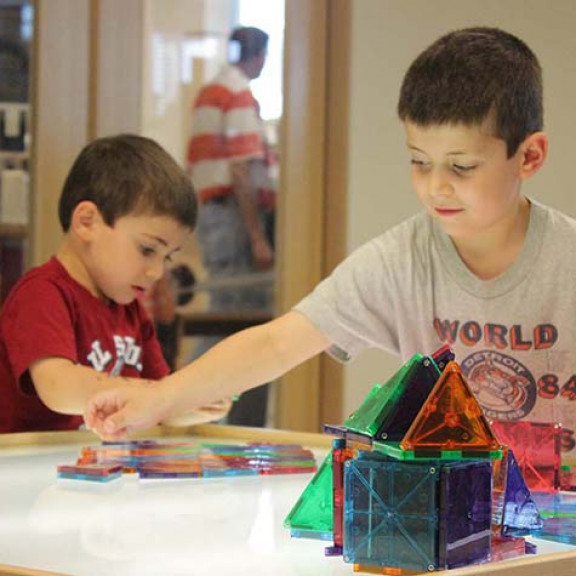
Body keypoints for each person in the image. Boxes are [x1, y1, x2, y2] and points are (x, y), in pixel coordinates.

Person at [85, 27, 576, 469]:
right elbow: (277, 342)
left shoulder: (566, 260)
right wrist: (158, 400)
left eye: (462, 167)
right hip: (461, 520)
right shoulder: (403, 259)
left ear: (529, 156)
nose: (435, 188)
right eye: (419, 162)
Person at [0, 134, 230, 433]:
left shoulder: (131, 312)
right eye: (147, 250)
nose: (156, 272)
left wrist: (189, 402)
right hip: (22, 470)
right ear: (87, 222)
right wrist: (160, 394)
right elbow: (58, 387)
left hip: (90, 470)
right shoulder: (42, 293)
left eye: (167, 258)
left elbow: (155, 406)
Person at [186, 26, 276, 427]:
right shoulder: (238, 93)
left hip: (212, 212)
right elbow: (241, 169)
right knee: (235, 321)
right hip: (233, 216)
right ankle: (189, 409)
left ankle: (196, 409)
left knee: (225, 316)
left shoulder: (210, 91)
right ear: (259, 57)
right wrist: (258, 236)